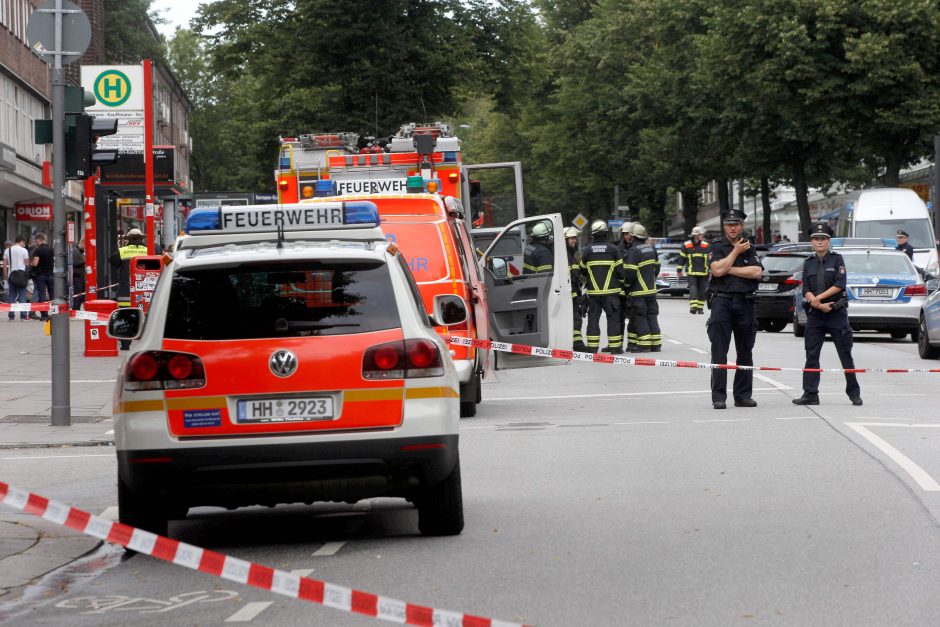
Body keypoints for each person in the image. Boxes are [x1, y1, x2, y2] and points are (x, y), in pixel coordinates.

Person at [792, 223, 862, 407]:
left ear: (829, 241)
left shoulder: (837, 260)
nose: (819, 242)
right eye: (816, 238)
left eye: (823, 238)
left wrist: (818, 300)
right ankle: (810, 393)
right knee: (811, 353)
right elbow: (805, 287)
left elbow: (840, 284)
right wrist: (815, 303)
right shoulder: (808, 263)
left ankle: (854, 393)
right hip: (816, 315)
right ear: (812, 241)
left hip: (835, 313)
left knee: (845, 353)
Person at [706, 209, 763, 409]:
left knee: (745, 351)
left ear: (742, 226)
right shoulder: (716, 246)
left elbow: (756, 272)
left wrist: (728, 268)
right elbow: (716, 270)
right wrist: (736, 252)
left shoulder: (750, 247)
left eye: (736, 224)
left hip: (746, 303)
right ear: (724, 226)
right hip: (722, 303)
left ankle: (743, 395)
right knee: (719, 351)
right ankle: (719, 397)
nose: (733, 228)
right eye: (729, 224)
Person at [579, 220, 624, 353]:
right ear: (605, 233)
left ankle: (592, 347)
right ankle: (615, 348)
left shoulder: (587, 251)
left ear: (593, 235)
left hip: (594, 294)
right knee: (613, 320)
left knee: (593, 320)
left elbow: (582, 270)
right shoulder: (614, 249)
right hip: (611, 293)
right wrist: (621, 282)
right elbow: (620, 271)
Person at [622, 223, 662, 352]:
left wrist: (626, 286)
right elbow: (657, 268)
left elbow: (630, 273)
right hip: (651, 290)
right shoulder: (652, 249)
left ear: (633, 236)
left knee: (640, 316)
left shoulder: (633, 251)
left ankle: (644, 344)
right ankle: (656, 344)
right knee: (652, 316)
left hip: (638, 292)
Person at [109, 228, 148, 349]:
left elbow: (113, 262)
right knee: (146, 315)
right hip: (145, 290)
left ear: (128, 239)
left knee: (125, 315)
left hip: (126, 290)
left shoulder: (123, 251)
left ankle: (125, 344)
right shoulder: (149, 249)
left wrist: (122, 247)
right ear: (141, 238)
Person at [565, 226, 587, 350]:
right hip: (569, 295)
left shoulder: (571, 255)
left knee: (576, 318)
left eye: (574, 238)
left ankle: (576, 343)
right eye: (571, 238)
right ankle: (577, 344)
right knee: (575, 319)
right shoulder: (565, 256)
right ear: (565, 240)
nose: (574, 240)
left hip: (574, 294)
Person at [679, 225, 710, 314]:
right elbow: (682, 258)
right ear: (696, 235)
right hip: (692, 272)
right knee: (694, 289)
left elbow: (710, 259)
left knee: (701, 290)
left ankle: (699, 308)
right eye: (701, 234)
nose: (702, 236)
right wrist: (679, 271)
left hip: (703, 272)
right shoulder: (687, 245)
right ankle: (694, 307)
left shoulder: (706, 245)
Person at [28, 232, 54, 321]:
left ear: (39, 240)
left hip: (40, 275)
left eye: (36, 241)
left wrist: (31, 263)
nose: (36, 243)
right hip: (50, 275)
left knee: (42, 295)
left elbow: (35, 263)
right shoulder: (51, 249)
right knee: (52, 294)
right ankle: (55, 313)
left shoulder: (38, 250)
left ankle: (44, 315)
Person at [4, 236, 30, 321]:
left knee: (11, 295)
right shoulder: (24, 250)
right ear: (21, 241)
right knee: (22, 295)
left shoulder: (7, 250)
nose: (24, 245)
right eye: (24, 243)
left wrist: (5, 275)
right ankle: (23, 316)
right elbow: (27, 263)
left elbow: (5, 264)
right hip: (21, 275)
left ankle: (11, 316)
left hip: (11, 274)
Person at [72, 238, 86, 309]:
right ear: (82, 243)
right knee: (77, 293)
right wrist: (84, 261)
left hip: (81, 275)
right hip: (77, 276)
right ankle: (75, 308)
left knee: (81, 294)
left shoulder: (81, 251)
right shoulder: (75, 251)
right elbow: (74, 262)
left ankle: (77, 308)